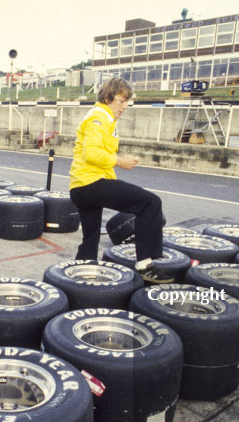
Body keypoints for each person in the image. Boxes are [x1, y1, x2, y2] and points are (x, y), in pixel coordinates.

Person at [68, 77, 166, 281]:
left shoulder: (102, 117)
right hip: (91, 184)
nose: (125, 106)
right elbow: (91, 154)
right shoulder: (100, 117)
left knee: (91, 239)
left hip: (80, 187)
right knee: (150, 203)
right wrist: (120, 161)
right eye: (121, 100)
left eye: (127, 101)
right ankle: (145, 264)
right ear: (108, 97)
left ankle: (76, 279)